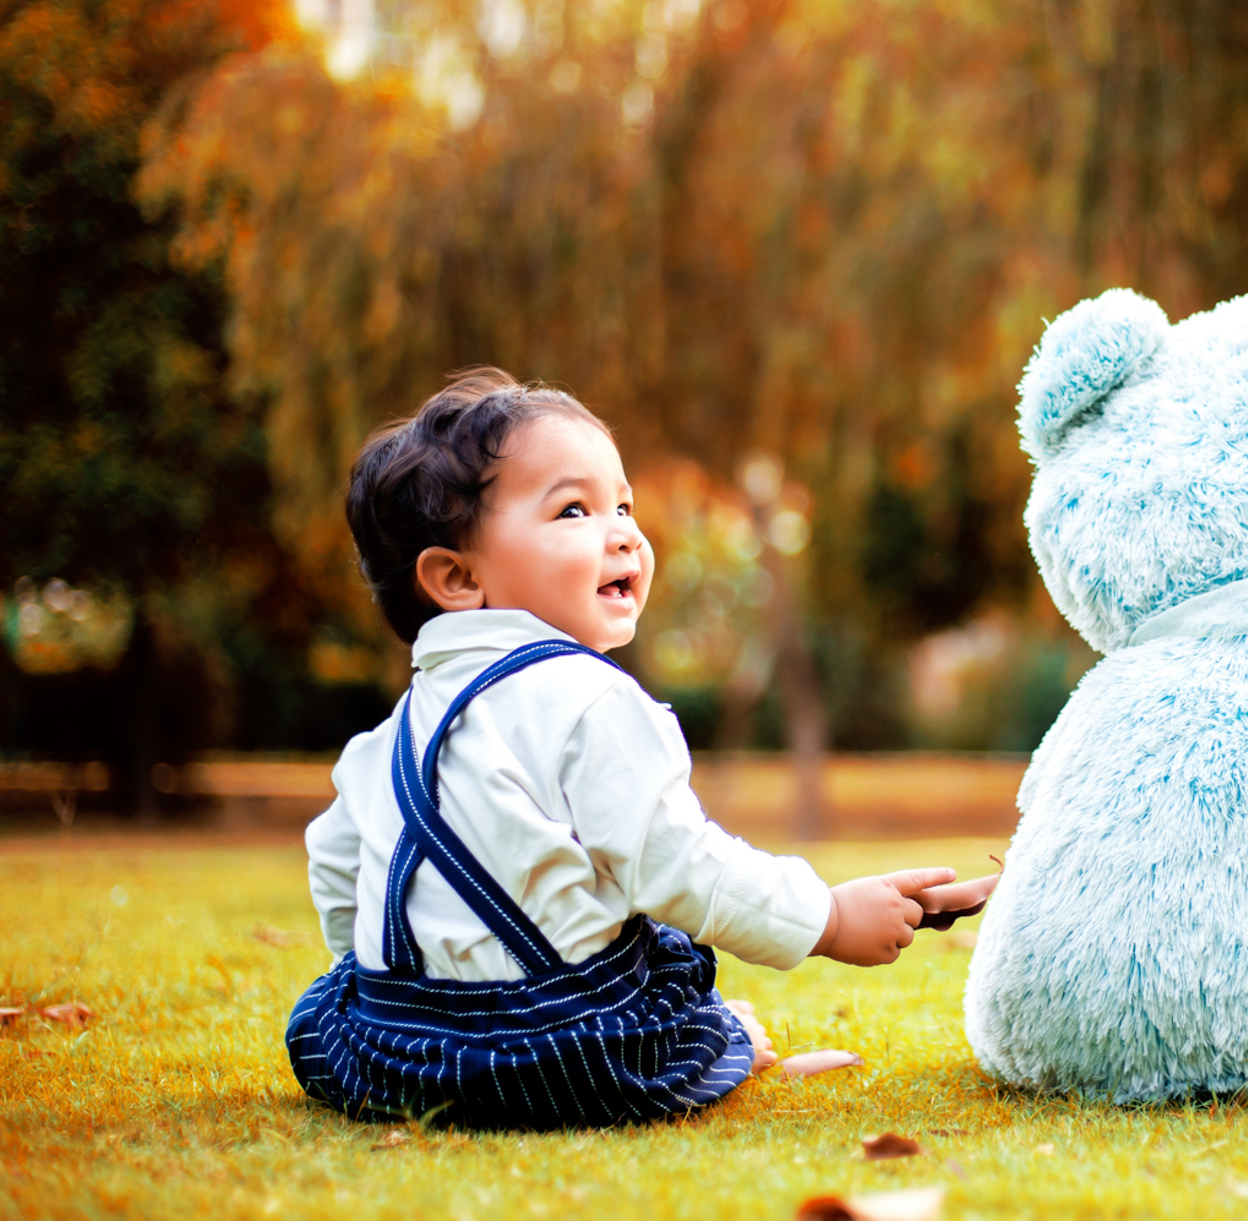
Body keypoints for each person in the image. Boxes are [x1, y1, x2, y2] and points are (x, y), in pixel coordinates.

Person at [287, 368, 992, 1127]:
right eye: (574, 510)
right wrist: (827, 917)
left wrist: (401, 991)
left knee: (329, 1004)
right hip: (558, 1057)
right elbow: (679, 865)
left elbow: (336, 865)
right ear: (456, 578)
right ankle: (716, 1047)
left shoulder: (388, 736)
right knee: (669, 949)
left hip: (394, 1055)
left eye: (623, 506)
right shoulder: (589, 699)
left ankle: (677, 1042)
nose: (623, 532)